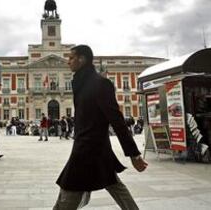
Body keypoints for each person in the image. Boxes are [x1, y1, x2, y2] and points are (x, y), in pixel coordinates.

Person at [54, 45, 148, 210]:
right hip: (96, 148)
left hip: (86, 150)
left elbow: (117, 120)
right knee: (114, 184)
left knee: (68, 193)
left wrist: (133, 153)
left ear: (82, 59)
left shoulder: (100, 84)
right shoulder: (81, 83)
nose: (68, 61)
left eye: (71, 58)